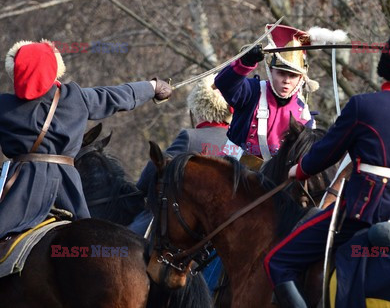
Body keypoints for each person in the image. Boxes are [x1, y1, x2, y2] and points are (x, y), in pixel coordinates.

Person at [263, 31, 390, 307]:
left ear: (384, 66)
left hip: (359, 215)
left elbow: (326, 153)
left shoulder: (362, 106)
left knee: (276, 261)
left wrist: (299, 171)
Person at [0, 40, 171, 239]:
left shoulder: (4, 106)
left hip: (20, 190)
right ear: (55, 67)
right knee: (88, 239)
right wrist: (152, 86)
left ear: (16, 70)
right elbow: (117, 96)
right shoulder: (75, 98)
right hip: (68, 191)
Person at [132, 74, 233, 235]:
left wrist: (136, 191)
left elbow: (155, 169)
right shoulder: (240, 142)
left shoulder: (190, 137)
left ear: (197, 110)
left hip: (190, 220)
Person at [214, 24, 331, 161]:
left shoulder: (304, 116)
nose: (286, 81)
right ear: (271, 71)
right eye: (281, 73)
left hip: (272, 180)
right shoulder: (252, 92)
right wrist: (244, 62)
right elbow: (223, 83)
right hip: (232, 170)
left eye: (293, 76)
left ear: (301, 78)